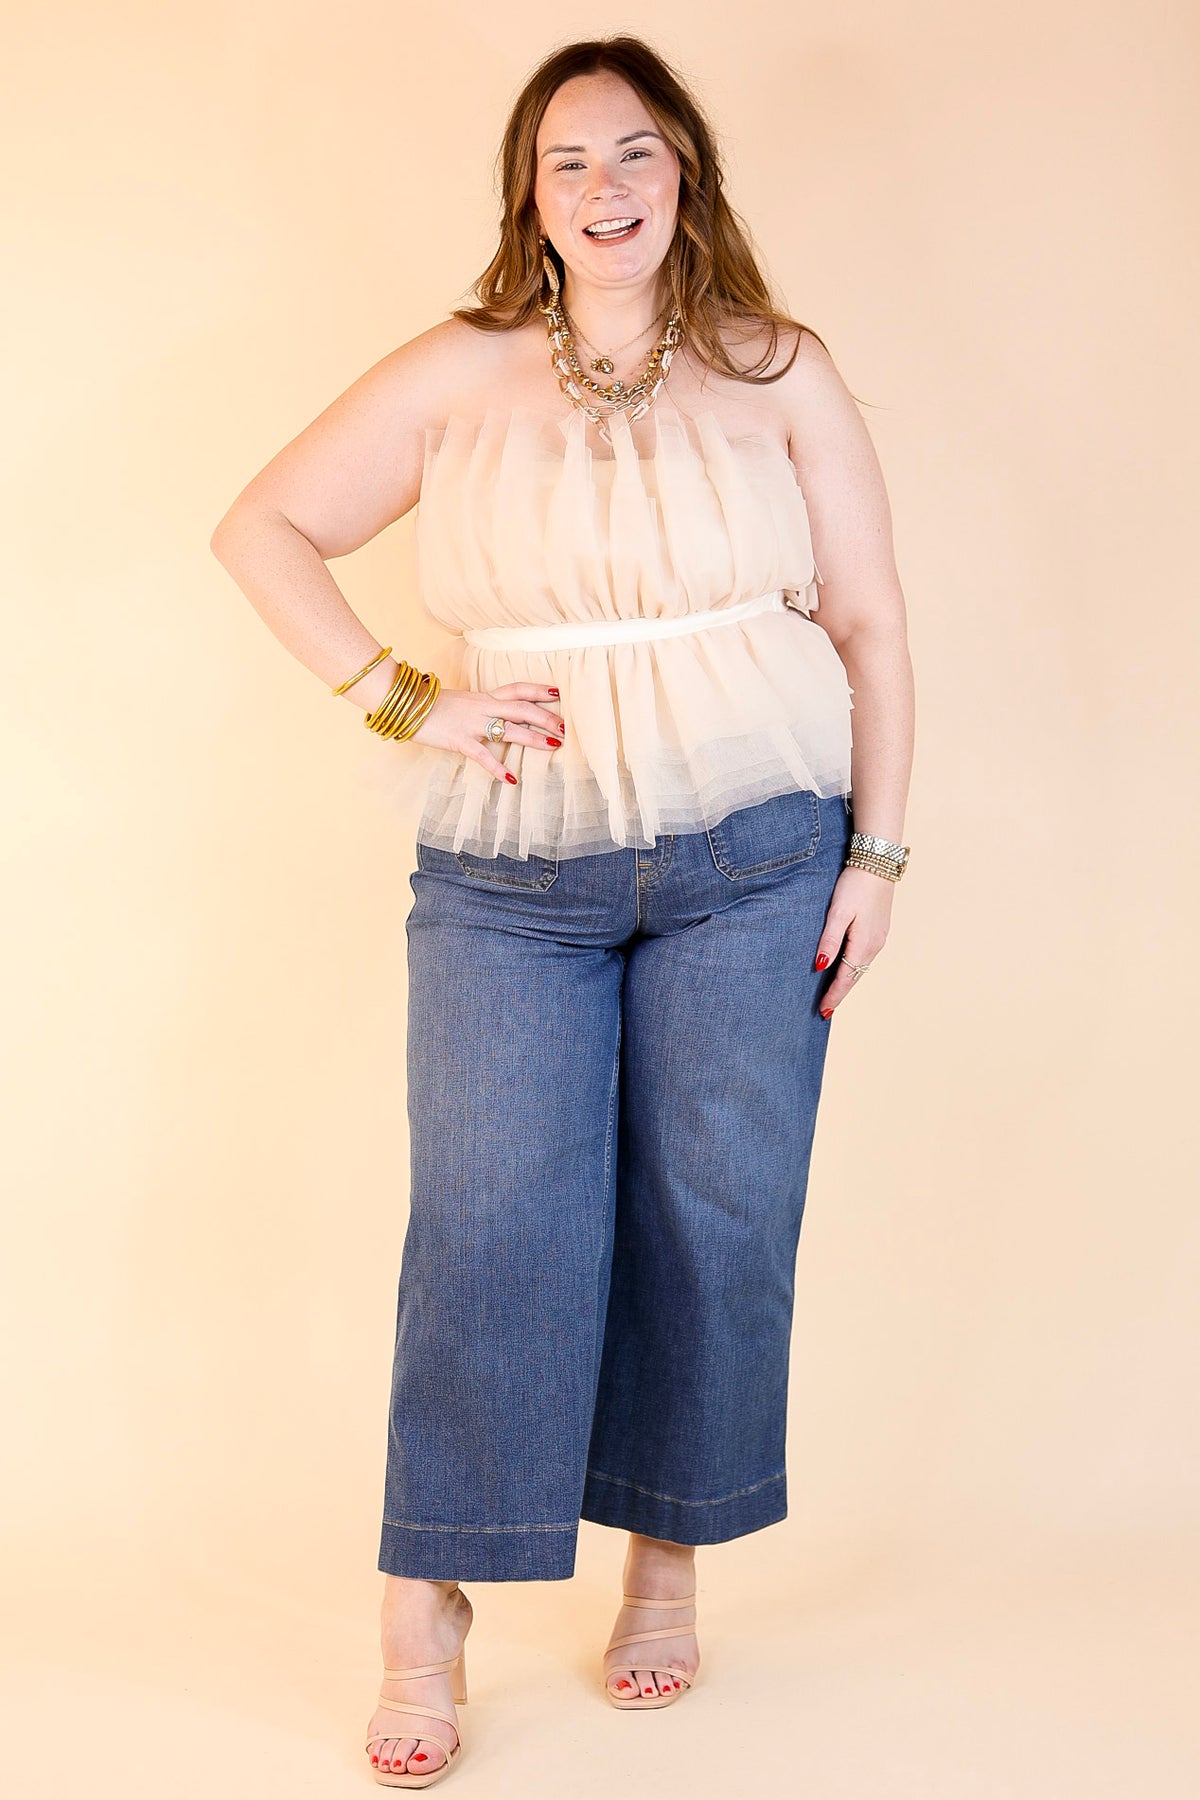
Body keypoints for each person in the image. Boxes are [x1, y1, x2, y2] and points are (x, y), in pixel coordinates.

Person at [210, 33, 914, 1792]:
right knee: (491, 1220)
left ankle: (665, 1564)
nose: (605, 190)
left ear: (687, 174)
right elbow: (265, 526)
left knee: (715, 1214)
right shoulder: (460, 370)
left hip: (757, 855)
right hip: (513, 873)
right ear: (529, 197)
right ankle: (426, 1605)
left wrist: (879, 860)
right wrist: (402, 699)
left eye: (635, 154)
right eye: (567, 163)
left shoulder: (778, 369)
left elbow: (871, 621)